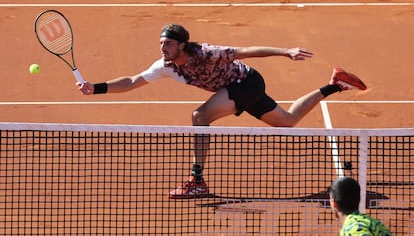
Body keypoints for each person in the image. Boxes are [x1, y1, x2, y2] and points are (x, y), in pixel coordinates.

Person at [77, 23, 367, 199]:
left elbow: (246, 50)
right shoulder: (164, 66)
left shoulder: (206, 53)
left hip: (247, 82)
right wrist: (96, 88)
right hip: (238, 90)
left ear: (182, 44)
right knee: (287, 121)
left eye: (168, 43)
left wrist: (285, 51)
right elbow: (131, 82)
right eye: (161, 43)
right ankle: (335, 84)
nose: (163, 47)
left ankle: (197, 180)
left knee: (200, 117)